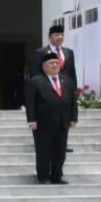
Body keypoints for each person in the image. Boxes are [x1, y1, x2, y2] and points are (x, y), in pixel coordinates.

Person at [26, 52, 78, 184]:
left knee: (60, 151)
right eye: (51, 63)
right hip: (43, 122)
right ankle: (43, 176)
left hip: (62, 122)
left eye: (56, 62)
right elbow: (30, 102)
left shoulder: (67, 81)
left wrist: (74, 117)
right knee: (44, 150)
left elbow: (73, 101)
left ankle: (57, 175)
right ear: (44, 67)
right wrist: (31, 120)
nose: (55, 65)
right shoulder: (36, 82)